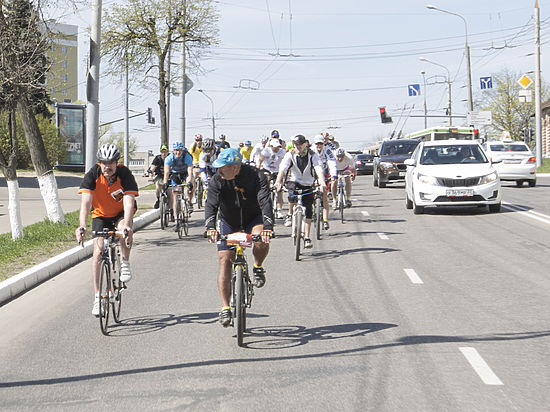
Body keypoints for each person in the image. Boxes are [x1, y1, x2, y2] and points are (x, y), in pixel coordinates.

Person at [205, 148, 274, 327]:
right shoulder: (217, 180)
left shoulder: (256, 176)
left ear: (235, 167)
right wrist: (210, 227)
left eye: (222, 167)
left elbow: (265, 201)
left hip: (254, 218)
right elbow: (211, 204)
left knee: (261, 238)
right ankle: (225, 308)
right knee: (225, 259)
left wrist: (268, 227)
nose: (219, 171)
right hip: (228, 220)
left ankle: (258, 266)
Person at [75, 143, 138, 317]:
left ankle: (125, 262)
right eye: (104, 162)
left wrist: (127, 225)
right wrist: (82, 225)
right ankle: (97, 297)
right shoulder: (92, 175)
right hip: (100, 216)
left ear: (116, 163)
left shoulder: (125, 174)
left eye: (111, 163)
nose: (107, 166)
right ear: (99, 163)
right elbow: (85, 204)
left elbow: (128, 201)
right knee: (98, 252)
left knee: (123, 229)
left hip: (120, 213)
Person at [275, 134, 326, 249]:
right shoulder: (290, 154)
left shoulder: (313, 155)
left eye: (300, 144)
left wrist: (322, 182)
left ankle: (307, 237)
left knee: (308, 210)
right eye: (296, 144)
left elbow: (318, 169)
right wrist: (278, 181)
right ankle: (289, 214)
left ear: (305, 144)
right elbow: (283, 168)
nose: (298, 147)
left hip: (308, 183)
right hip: (294, 180)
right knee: (292, 195)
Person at [163, 142, 194, 217]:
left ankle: (189, 201)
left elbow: (190, 171)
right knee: (175, 195)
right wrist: (165, 182)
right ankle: (176, 218)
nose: (178, 152)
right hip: (175, 174)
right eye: (176, 150)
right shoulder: (169, 158)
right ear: (173, 151)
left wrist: (189, 182)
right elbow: (166, 172)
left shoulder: (187, 157)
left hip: (185, 173)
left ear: (182, 150)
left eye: (180, 150)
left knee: (191, 183)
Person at [313, 134, 337, 230]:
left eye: (321, 144)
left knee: (324, 196)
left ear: (323, 144)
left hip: (324, 172)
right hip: (313, 173)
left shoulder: (327, 150)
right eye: (317, 144)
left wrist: (333, 174)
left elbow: (332, 162)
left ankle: (325, 219)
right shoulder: (311, 151)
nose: (319, 146)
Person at [258, 138, 286, 219]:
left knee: (279, 189)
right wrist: (258, 170)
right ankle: (263, 202)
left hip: (277, 171)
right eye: (275, 147)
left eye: (278, 147)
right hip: (267, 169)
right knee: (265, 182)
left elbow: (287, 163)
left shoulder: (282, 152)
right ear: (271, 146)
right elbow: (260, 161)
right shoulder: (266, 151)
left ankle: (279, 210)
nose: (277, 148)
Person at [150, 144, 169, 208]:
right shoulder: (157, 158)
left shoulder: (170, 158)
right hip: (160, 176)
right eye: (162, 152)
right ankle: (158, 200)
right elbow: (153, 167)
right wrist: (151, 174)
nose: (164, 154)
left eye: (165, 152)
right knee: (158, 186)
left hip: (170, 176)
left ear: (168, 152)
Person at [189, 134, 203, 203]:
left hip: (202, 163)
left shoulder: (203, 146)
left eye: (200, 140)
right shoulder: (193, 146)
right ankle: (194, 195)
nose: (199, 142)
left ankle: (203, 189)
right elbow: (189, 155)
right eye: (197, 140)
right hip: (194, 163)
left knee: (203, 177)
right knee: (193, 178)